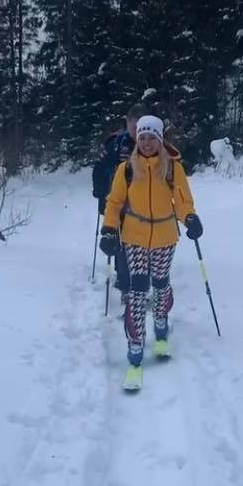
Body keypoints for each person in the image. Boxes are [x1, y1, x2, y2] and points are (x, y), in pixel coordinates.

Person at [100, 113, 203, 391]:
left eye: (152, 138)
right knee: (137, 289)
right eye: (142, 137)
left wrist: (190, 218)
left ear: (160, 139)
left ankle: (160, 326)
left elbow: (183, 201)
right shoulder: (127, 169)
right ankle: (135, 348)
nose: (146, 142)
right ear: (137, 139)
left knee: (160, 284)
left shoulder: (172, 169)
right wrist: (109, 229)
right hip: (133, 235)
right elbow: (115, 201)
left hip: (165, 236)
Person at [92, 104, 143, 302]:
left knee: (139, 243)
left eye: (140, 125)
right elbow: (100, 167)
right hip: (119, 201)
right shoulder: (115, 143)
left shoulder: (151, 142)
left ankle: (140, 282)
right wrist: (99, 192)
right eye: (134, 125)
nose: (137, 130)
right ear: (127, 122)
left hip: (142, 203)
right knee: (121, 243)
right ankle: (125, 286)